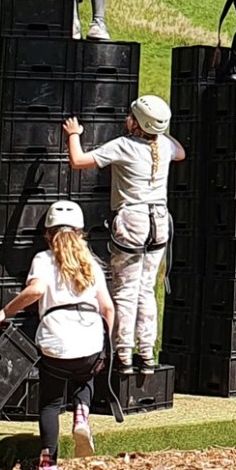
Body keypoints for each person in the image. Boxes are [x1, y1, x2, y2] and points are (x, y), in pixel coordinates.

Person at [0, 200, 115, 470]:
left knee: (50, 403)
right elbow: (107, 307)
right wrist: (107, 345)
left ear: (47, 234)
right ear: (81, 232)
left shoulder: (43, 259)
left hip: (55, 343)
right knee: (85, 376)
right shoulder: (90, 262)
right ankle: (81, 414)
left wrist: (4, 312)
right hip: (90, 339)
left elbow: (36, 290)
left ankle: (48, 468)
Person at [64, 95, 185, 375]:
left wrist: (74, 134)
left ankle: (124, 355)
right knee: (146, 289)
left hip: (133, 221)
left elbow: (78, 161)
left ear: (136, 124)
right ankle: (147, 354)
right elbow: (181, 152)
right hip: (159, 222)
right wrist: (161, 133)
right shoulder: (165, 145)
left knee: (126, 290)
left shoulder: (123, 145)